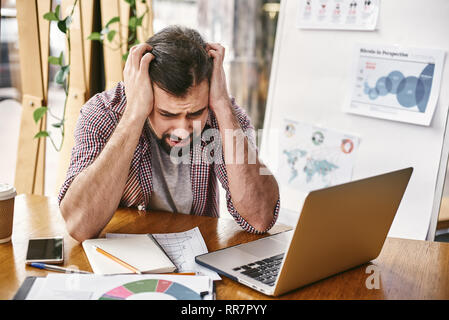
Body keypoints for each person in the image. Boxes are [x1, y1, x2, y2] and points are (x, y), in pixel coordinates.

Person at [58, 25, 280, 242]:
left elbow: (260, 218)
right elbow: (79, 226)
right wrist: (135, 114)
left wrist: (221, 104)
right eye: (166, 113)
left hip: (198, 261)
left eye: (195, 113)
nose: (183, 131)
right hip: (124, 262)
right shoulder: (103, 113)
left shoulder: (222, 113)